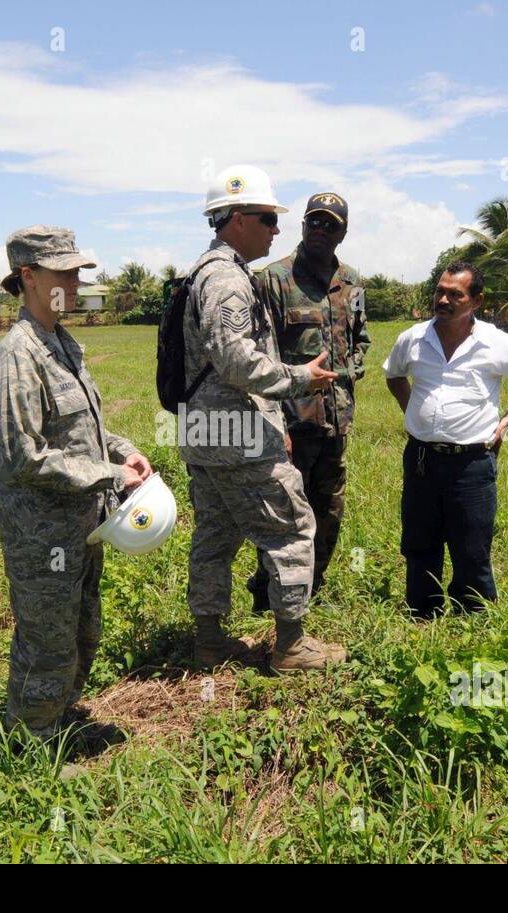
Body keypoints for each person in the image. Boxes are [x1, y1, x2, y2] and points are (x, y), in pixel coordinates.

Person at [0, 225, 152, 744]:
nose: (76, 283)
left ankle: (58, 718)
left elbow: (82, 431)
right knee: (47, 640)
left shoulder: (61, 342)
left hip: (80, 523)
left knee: (82, 628)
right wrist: (111, 474)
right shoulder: (18, 355)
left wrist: (121, 450)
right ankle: (30, 743)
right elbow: (25, 457)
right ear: (29, 277)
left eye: (78, 273)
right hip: (42, 535)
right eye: (65, 273)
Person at [179, 164, 345, 672]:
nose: (276, 229)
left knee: (215, 535)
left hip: (206, 430)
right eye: (268, 218)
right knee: (292, 527)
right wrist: (299, 379)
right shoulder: (227, 280)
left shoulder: (205, 272)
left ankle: (210, 641)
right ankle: (291, 645)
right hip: (237, 433)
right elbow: (236, 361)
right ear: (237, 220)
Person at [383, 261, 508, 619]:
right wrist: (412, 410)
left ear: (476, 301)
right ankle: (422, 611)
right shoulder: (412, 338)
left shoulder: (496, 343)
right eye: (439, 291)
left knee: (472, 544)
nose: (443, 300)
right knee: (419, 540)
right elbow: (394, 375)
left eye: (454, 294)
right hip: (422, 458)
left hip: (472, 462)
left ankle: (472, 615)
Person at [246, 191, 369, 609]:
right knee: (283, 513)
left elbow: (361, 337)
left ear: (342, 233)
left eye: (330, 224)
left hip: (336, 422)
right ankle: (269, 596)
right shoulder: (274, 279)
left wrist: (351, 370)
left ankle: (310, 590)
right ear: (302, 226)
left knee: (328, 509)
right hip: (291, 425)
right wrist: (273, 422)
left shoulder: (352, 282)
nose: (320, 229)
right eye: (314, 221)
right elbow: (258, 356)